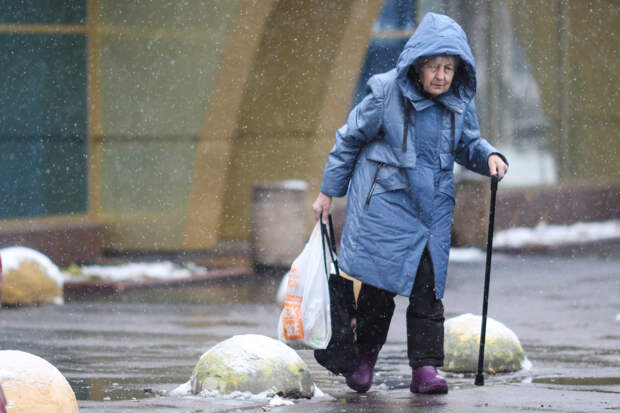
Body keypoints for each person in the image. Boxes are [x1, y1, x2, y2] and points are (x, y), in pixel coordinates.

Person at [312, 12, 508, 394]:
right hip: (388, 208)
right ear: (418, 65)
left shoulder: (458, 102)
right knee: (378, 292)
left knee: (428, 293)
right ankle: (364, 361)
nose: (442, 75)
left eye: (449, 67)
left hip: (432, 213)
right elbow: (349, 139)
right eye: (434, 66)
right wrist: (327, 192)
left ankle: (426, 370)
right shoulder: (386, 92)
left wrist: (488, 156)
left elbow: (467, 143)